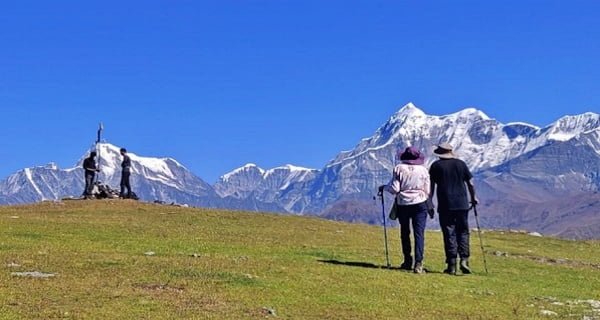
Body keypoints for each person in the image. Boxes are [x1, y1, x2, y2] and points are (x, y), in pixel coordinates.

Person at [379, 147, 431, 274]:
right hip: (420, 202)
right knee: (419, 233)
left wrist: (384, 187)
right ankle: (419, 263)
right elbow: (427, 190)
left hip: (403, 203)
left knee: (405, 232)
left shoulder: (399, 168)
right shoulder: (423, 170)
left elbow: (395, 189)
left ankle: (407, 260)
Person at [429, 143, 478, 275]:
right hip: (462, 203)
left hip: (445, 204)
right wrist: (474, 197)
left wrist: (430, 202)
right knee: (463, 231)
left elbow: (431, 186)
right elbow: (470, 183)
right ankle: (464, 259)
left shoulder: (435, 166)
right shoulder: (461, 164)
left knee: (448, 232)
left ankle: (451, 264)